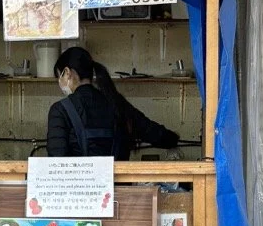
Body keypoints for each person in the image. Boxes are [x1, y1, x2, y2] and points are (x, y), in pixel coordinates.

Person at [47, 46, 180, 160]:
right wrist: (174, 139)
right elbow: (156, 134)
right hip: (117, 188)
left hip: (78, 189)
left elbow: (56, 161)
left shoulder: (60, 110)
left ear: (67, 73)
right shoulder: (117, 103)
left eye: (59, 76)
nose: (60, 82)